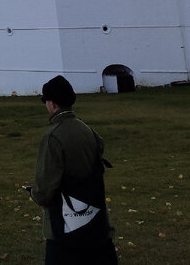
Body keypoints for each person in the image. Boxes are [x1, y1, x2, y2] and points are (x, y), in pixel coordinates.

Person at [30, 75, 118, 264]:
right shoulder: (88, 130)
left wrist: (35, 194)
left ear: (52, 104)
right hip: (95, 222)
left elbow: (44, 190)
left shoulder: (53, 137)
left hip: (65, 228)